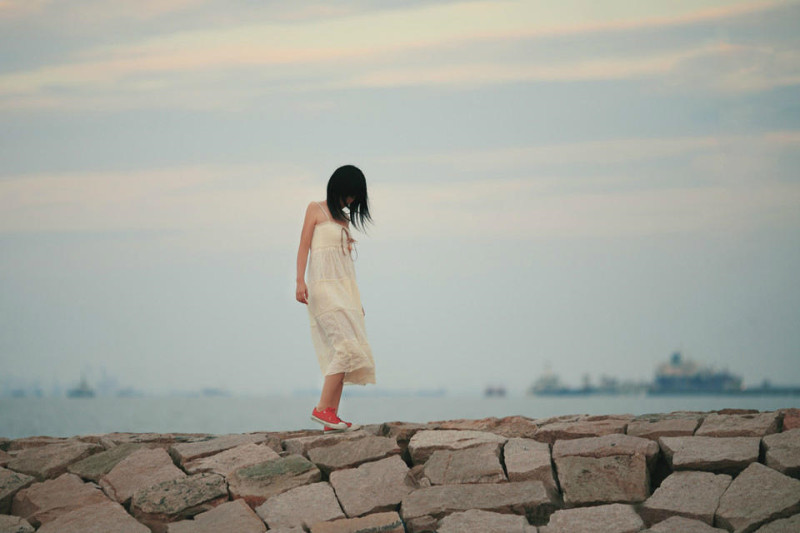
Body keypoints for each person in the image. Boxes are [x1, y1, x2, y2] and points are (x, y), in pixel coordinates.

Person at [295, 165, 376, 432]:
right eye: (350, 194)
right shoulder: (315, 209)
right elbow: (304, 246)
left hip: (344, 291)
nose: (351, 200)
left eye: (355, 197)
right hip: (322, 288)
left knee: (347, 350)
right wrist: (299, 281)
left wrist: (356, 300)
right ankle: (321, 409)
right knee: (345, 348)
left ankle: (330, 416)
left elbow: (346, 266)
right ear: (338, 188)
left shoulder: (344, 220)